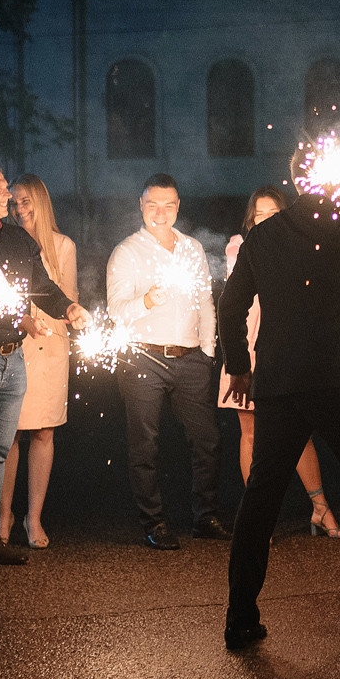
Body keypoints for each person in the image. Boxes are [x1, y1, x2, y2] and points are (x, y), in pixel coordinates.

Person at [217, 162, 340, 651]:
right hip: (337, 380)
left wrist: (240, 364)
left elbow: (231, 304)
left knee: (261, 496)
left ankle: (240, 616)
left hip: (281, 381)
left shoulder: (264, 236)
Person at [0, 161, 84, 567]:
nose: (9, 195)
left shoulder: (19, 240)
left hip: (13, 361)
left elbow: (41, 285)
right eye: (2, 188)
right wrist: (15, 319)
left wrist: (69, 306)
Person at [107, 173, 227, 549]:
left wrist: (207, 351)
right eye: (153, 205)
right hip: (144, 358)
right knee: (145, 444)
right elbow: (116, 312)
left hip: (191, 357)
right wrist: (147, 301)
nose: (161, 212)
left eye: (169, 205)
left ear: (178, 207)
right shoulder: (127, 252)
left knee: (206, 440)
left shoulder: (192, 249)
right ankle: (154, 522)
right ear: (141, 207)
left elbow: (206, 302)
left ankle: (204, 517)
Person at [222, 187, 340, 538]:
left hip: (287, 349)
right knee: (250, 432)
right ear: (250, 221)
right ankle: (258, 522)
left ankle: (320, 509)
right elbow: (234, 304)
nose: (266, 222)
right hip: (248, 345)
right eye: (259, 216)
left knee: (299, 431)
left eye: (273, 214)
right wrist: (237, 363)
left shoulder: (299, 245)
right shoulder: (242, 247)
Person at [5, 175, 76, 548]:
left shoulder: (63, 246)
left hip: (49, 345)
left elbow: (67, 296)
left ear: (41, 203)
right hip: (15, 341)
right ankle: (3, 515)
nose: (20, 209)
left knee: (43, 431)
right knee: (8, 431)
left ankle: (34, 518)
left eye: (26, 202)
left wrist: (73, 313)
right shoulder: (4, 243)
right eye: (14, 202)